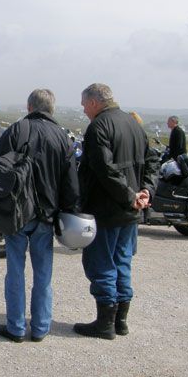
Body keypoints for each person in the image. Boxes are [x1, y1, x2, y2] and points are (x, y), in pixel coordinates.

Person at [0, 89, 80, 343]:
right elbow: (71, 183)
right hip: (47, 216)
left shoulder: (18, 130)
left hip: (17, 213)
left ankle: (16, 327)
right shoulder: (63, 137)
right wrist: (67, 214)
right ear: (52, 108)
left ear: (29, 106)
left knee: (15, 271)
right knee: (43, 275)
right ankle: (40, 327)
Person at [75, 83, 160, 340]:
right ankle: (120, 322)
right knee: (123, 262)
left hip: (107, 209)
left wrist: (132, 195)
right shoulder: (133, 123)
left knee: (101, 264)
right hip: (130, 210)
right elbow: (153, 161)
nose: (83, 110)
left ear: (93, 102)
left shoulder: (98, 127)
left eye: (83, 104)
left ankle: (104, 325)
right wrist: (146, 191)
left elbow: (105, 169)